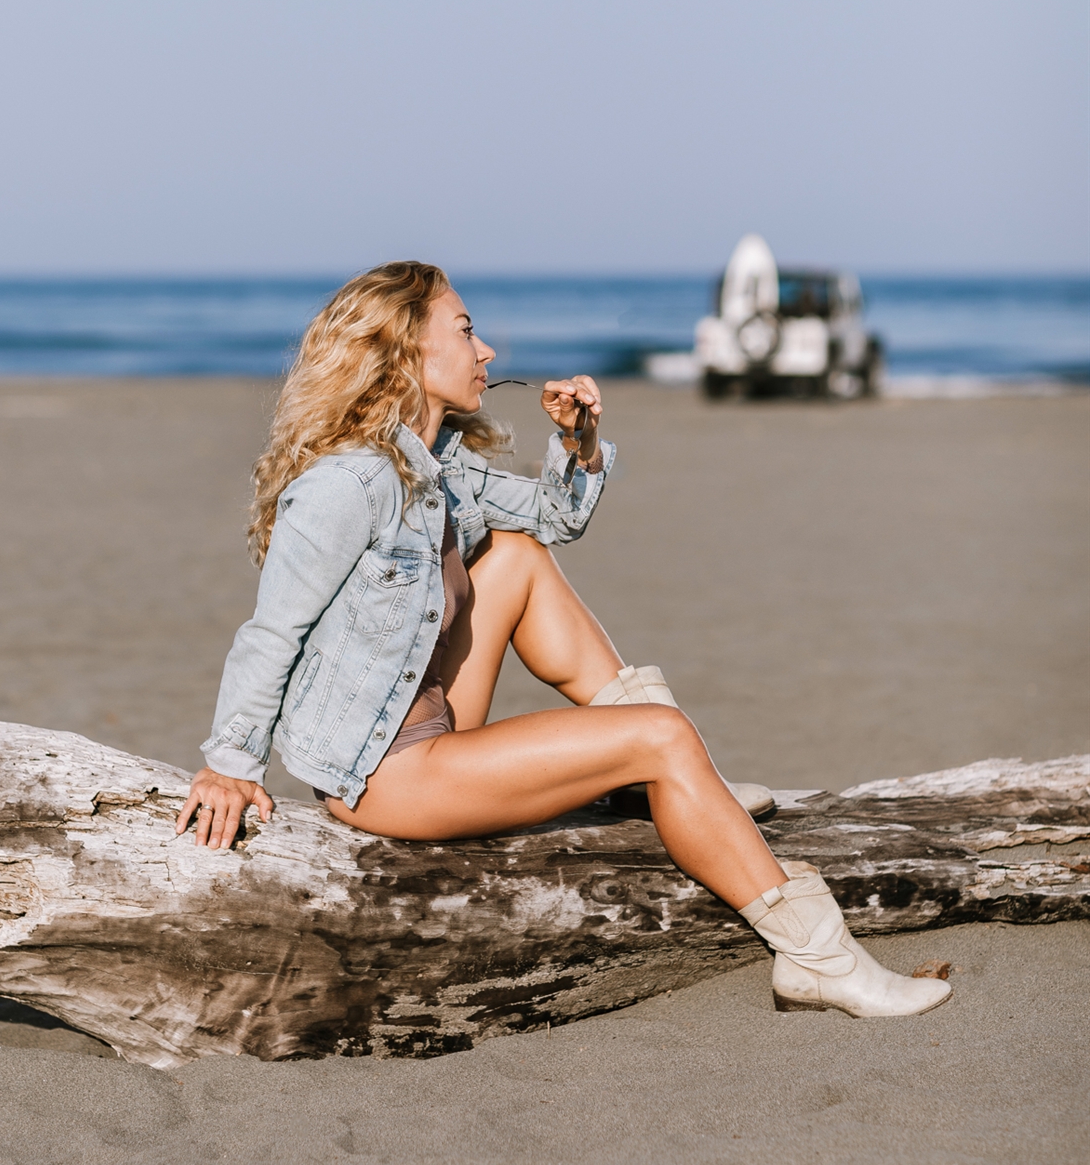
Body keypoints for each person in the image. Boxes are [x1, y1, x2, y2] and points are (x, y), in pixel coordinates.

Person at [179, 261, 950, 1019]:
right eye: (466, 331)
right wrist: (229, 766)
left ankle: (671, 782)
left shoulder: (433, 467)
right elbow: (271, 631)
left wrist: (578, 443)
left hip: (429, 718)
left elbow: (555, 517)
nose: (486, 352)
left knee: (516, 557)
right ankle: (818, 958)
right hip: (384, 772)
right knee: (663, 734)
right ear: (406, 351)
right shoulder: (350, 483)